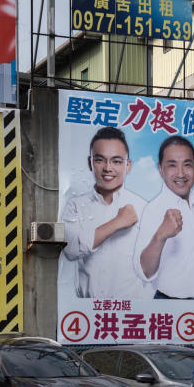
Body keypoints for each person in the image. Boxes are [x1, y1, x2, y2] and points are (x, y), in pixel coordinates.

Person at [61, 126, 153, 299]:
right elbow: (71, 250)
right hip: (89, 312)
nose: (107, 168)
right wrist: (117, 222)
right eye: (100, 160)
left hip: (134, 315)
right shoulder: (76, 205)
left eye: (116, 161)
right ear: (90, 163)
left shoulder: (144, 208)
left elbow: (152, 268)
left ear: (128, 166)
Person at [133, 135, 194, 299]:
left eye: (187, 165)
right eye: (172, 165)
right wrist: (160, 236)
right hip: (170, 304)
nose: (181, 173)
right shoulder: (155, 209)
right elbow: (144, 271)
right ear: (161, 169)